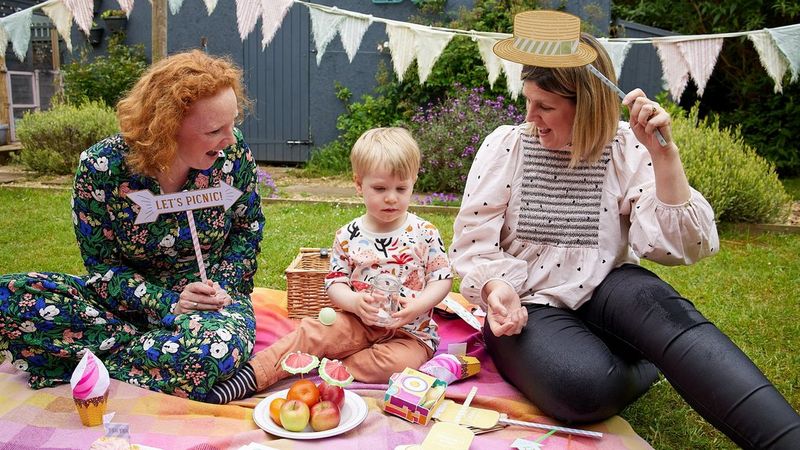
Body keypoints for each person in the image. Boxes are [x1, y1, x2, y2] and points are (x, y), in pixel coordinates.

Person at [449, 10, 800, 449]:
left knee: (672, 319)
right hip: (532, 303)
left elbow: (681, 247)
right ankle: (651, 360)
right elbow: (473, 242)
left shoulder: (624, 147)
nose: (531, 116)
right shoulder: (507, 146)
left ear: (588, 105)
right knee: (582, 387)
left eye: (546, 106)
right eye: (529, 102)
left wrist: (664, 156)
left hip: (609, 291)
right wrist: (496, 287)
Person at [0, 50, 265, 401]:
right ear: (167, 129)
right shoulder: (101, 168)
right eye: (215, 130)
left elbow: (247, 229)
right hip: (125, 304)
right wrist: (167, 304)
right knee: (9, 298)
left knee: (213, 347)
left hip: (209, 309)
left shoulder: (233, 156)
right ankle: (157, 358)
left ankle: (86, 362)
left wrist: (221, 288)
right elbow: (103, 268)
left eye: (233, 123)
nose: (230, 139)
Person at [206, 127, 453, 403]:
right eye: (380, 188)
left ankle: (330, 367)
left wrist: (417, 308)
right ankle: (252, 376)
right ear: (359, 184)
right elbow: (335, 283)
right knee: (314, 332)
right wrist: (355, 302)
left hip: (410, 333)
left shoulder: (425, 232)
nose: (391, 198)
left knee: (394, 365)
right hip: (358, 321)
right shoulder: (348, 236)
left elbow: (441, 278)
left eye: (401, 188)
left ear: (414, 182)